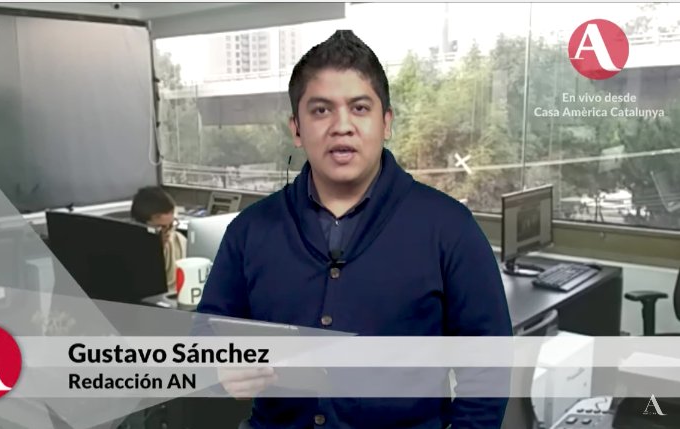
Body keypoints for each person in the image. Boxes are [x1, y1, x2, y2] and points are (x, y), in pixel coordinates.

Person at [196, 30, 512, 429]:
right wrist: (221, 369)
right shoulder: (249, 230)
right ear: (297, 129)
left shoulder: (450, 228)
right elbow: (203, 342)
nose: (341, 126)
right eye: (321, 110)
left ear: (386, 122)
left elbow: (488, 369)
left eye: (360, 108)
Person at [130, 186, 187, 293]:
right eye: (160, 228)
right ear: (138, 225)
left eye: (171, 225)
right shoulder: (130, 254)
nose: (168, 233)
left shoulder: (178, 241)